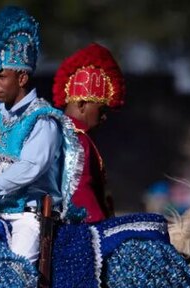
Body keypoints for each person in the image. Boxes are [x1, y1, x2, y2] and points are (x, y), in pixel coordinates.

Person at [0, 6, 81, 264]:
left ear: (22, 77)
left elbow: (28, 169)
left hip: (29, 219)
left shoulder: (43, 119)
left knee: (13, 281)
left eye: (1, 77)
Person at [52, 43, 125, 223]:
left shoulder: (56, 129)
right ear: (82, 104)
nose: (104, 118)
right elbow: (81, 192)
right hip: (79, 231)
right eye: (101, 111)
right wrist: (104, 226)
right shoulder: (76, 139)